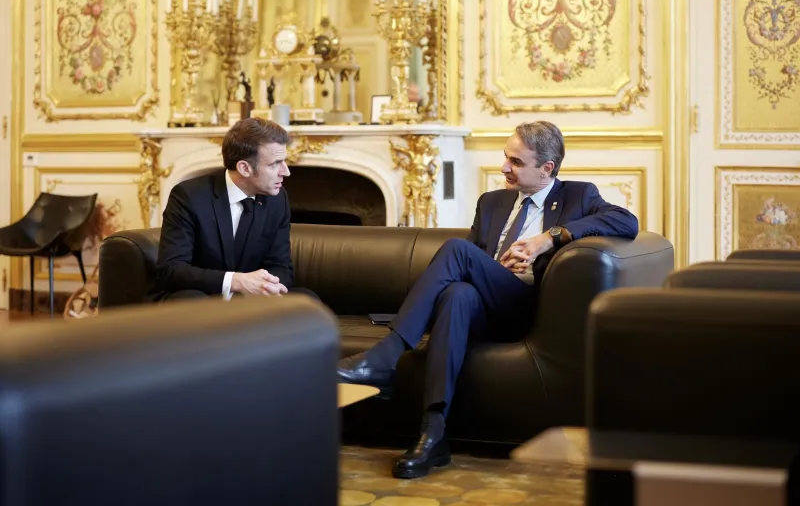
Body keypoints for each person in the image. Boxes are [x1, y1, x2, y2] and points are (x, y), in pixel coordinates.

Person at [337, 121, 639, 479]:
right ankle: (433, 435)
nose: (504, 167)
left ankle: (387, 356)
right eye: (505, 157)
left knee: (456, 250)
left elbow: (626, 222)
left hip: (525, 308)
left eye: (516, 162)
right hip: (484, 303)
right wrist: (493, 269)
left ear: (547, 168)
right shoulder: (492, 202)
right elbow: (470, 266)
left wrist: (548, 238)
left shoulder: (578, 195)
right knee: (457, 294)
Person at [154, 117, 301, 302]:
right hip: (202, 296)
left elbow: (281, 267)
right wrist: (235, 282)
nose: (286, 171)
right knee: (194, 301)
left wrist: (266, 287)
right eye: (275, 164)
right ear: (244, 168)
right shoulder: (189, 196)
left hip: (252, 300)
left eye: (284, 161)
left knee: (307, 300)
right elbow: (171, 270)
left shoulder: (277, 199)